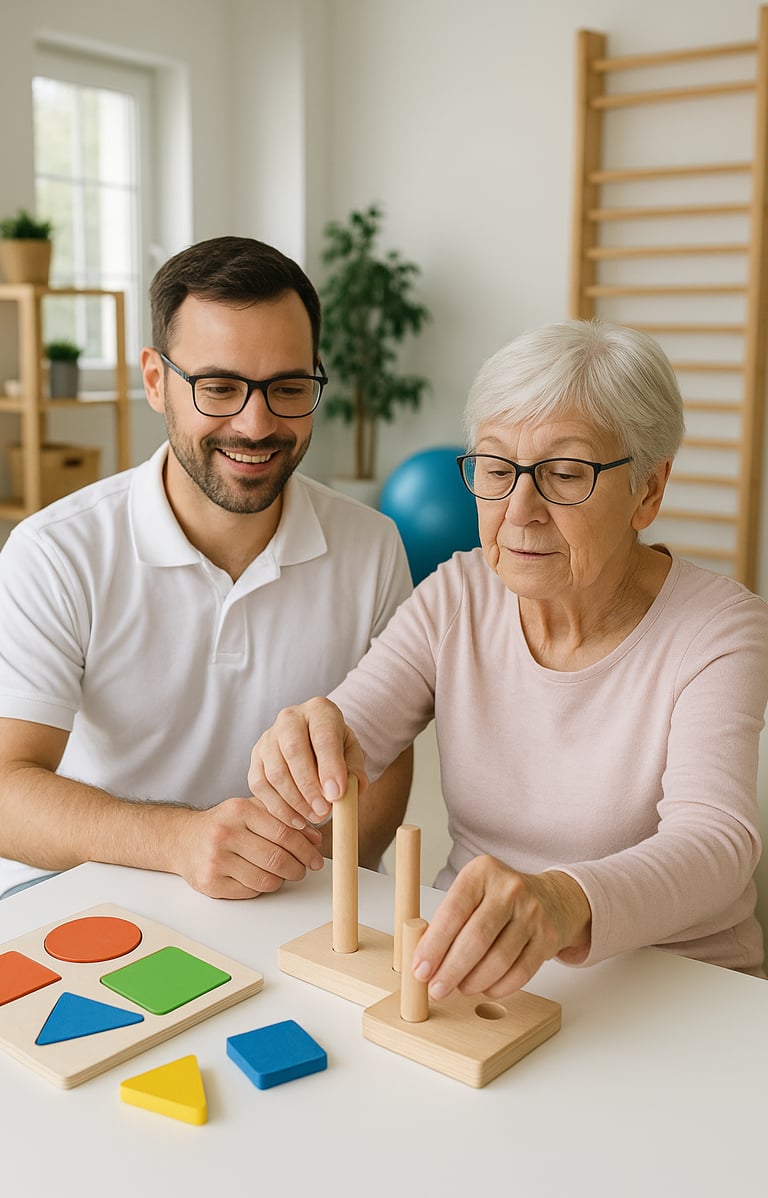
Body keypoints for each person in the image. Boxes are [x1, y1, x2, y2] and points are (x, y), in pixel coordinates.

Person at [248, 318, 768, 998]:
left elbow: (717, 843)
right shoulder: (458, 594)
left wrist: (561, 900)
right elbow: (350, 732)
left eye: (565, 475)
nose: (519, 510)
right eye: (496, 470)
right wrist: (306, 743)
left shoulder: (720, 628)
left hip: (677, 986)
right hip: (474, 971)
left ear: (648, 490)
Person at [0, 235, 413, 900]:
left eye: (288, 387)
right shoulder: (54, 553)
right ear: (156, 381)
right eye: (219, 387)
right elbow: (7, 789)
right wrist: (178, 842)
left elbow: (385, 765)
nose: (256, 425)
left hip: (296, 900)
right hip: (98, 901)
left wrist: (301, 886)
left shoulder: (372, 546)